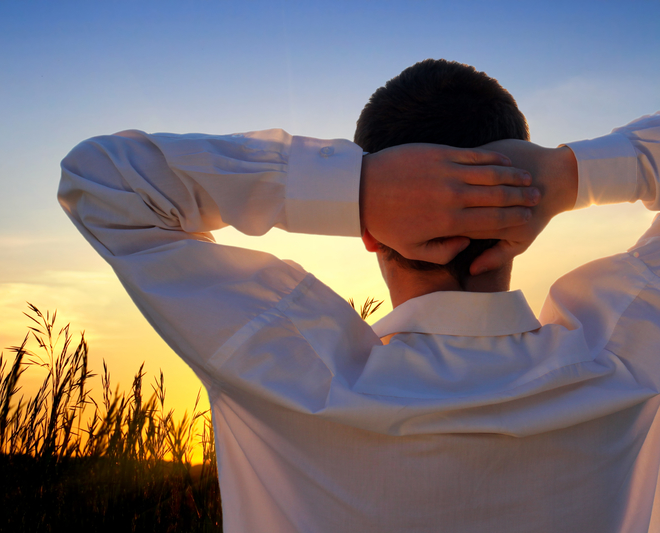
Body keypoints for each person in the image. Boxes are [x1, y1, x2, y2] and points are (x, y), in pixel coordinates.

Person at [58, 59, 660, 532]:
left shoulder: (288, 366)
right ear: (520, 226)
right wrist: (566, 174)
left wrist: (357, 188)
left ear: (368, 234)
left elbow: (106, 179)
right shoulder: (623, 351)